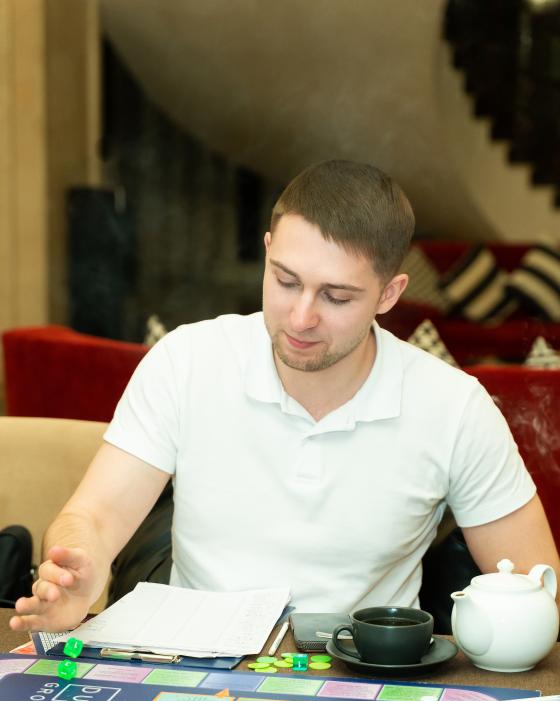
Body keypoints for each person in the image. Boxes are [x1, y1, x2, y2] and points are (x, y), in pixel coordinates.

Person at [10, 160, 560, 633]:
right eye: (286, 281)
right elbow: (94, 517)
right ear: (268, 250)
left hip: (364, 679)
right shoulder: (187, 360)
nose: (300, 318)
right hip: (191, 664)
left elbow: (538, 588)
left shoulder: (454, 406)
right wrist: (76, 570)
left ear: (389, 294)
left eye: (336, 297)